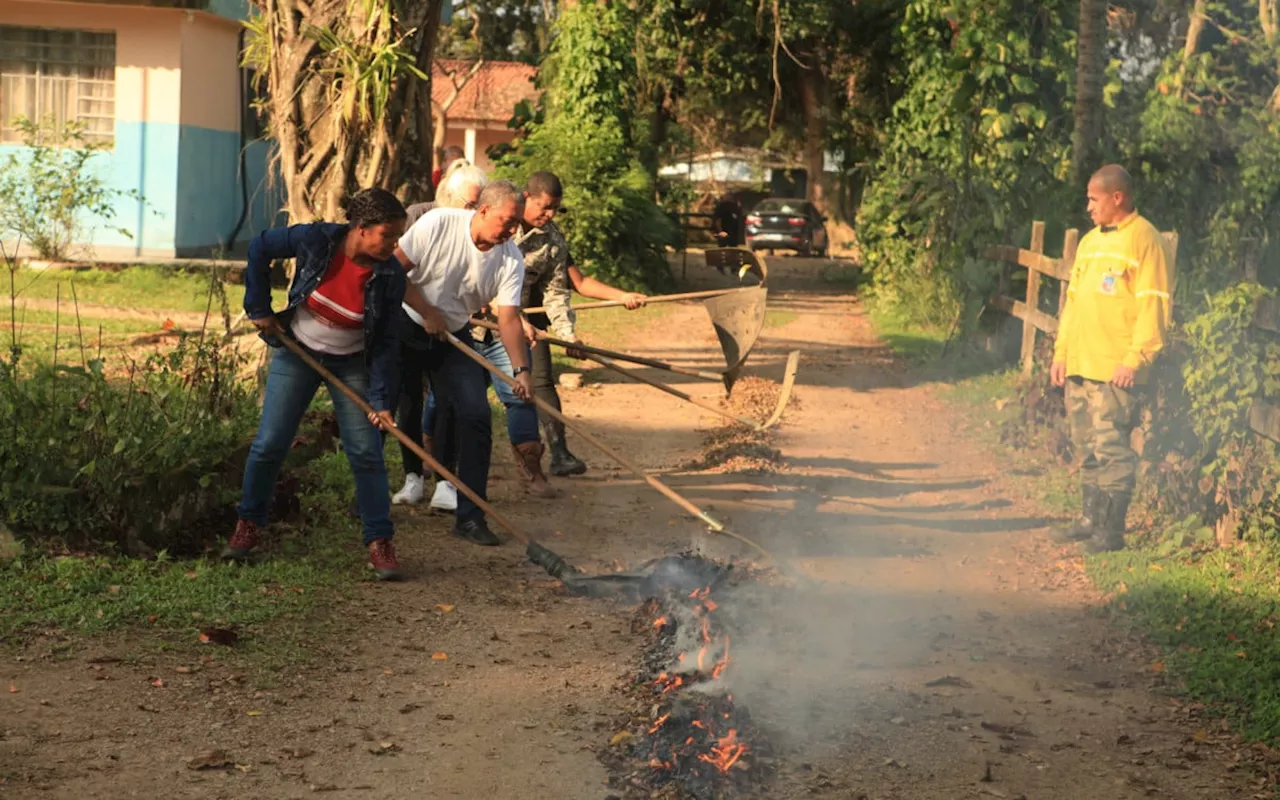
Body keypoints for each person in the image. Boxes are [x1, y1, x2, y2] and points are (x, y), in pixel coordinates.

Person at [224, 188, 408, 580]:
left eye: (397, 237)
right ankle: (248, 525)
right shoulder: (317, 239)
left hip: (353, 364)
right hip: (298, 352)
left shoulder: (390, 274)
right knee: (270, 443)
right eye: (388, 236)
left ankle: (379, 541)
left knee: (366, 451)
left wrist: (380, 400)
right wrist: (259, 308)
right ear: (361, 228)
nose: (394, 245)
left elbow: (387, 343)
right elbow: (259, 247)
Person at [394, 180, 533, 547]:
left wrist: (521, 371)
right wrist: (426, 311)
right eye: (508, 220)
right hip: (403, 323)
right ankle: (369, 503)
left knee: (475, 415)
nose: (513, 230)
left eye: (517, 223)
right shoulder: (438, 223)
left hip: (451, 335)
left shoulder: (510, 258)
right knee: (386, 410)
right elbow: (394, 271)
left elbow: (509, 320)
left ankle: (470, 517)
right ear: (483, 211)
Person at [1050, 164, 1173, 553]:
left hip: (1114, 370)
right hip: (1080, 365)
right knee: (1085, 445)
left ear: (1116, 197)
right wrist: (1061, 353)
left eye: (1093, 199)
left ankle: (1111, 532)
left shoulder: (1144, 239)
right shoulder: (1088, 242)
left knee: (1112, 449)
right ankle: (1090, 519)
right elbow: (1072, 303)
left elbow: (1154, 306)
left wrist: (1135, 359)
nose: (1088, 207)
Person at [513, 171, 647, 476]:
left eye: (554, 209)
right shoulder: (501, 221)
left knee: (542, 381)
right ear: (526, 198)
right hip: (483, 318)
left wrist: (567, 336)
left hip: (528, 321)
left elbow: (558, 291)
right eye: (543, 207)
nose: (548, 215)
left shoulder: (552, 238)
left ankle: (559, 453)